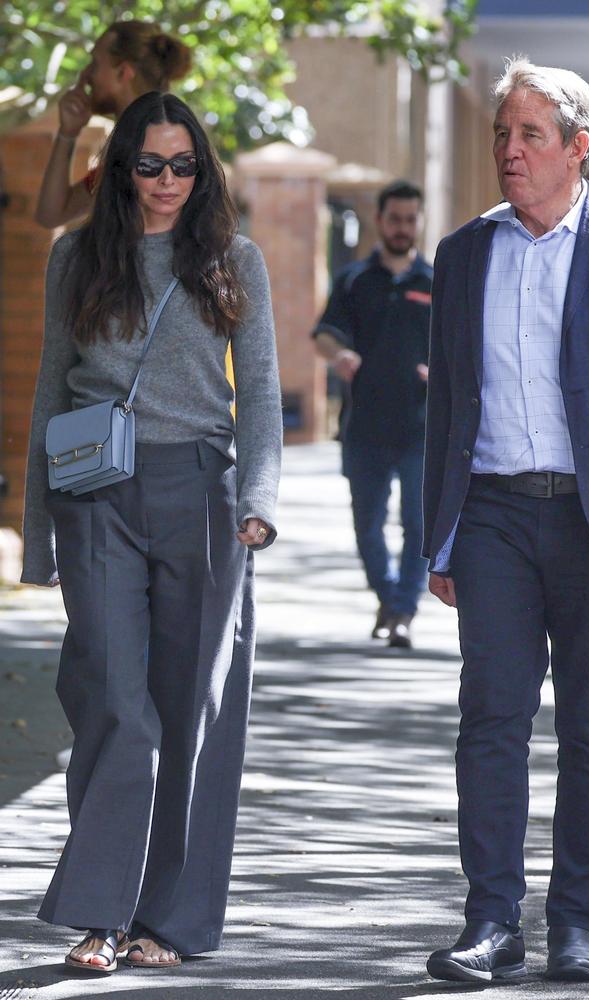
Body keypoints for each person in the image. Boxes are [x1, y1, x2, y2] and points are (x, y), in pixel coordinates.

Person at [21, 91, 282, 972]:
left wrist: (260, 500)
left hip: (202, 497)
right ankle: (99, 911)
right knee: (113, 699)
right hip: (95, 492)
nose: (167, 182)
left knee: (194, 712)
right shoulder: (76, 258)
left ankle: (167, 920)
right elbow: (50, 392)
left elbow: (265, 402)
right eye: (150, 164)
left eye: (184, 165)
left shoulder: (234, 259)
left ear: (201, 170)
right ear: (122, 167)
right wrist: (33, 535)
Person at [423, 59, 589, 984]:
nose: (509, 152)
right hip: (494, 517)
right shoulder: (464, 253)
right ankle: (491, 922)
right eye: (501, 136)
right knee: (492, 720)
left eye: (529, 137)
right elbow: (447, 413)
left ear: (579, 150)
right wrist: (435, 537)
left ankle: (575, 924)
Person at [313, 181, 432, 648]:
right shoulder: (354, 280)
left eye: (410, 218)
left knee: (419, 526)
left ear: (418, 222)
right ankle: (388, 597)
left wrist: (443, 372)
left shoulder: (436, 281)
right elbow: (323, 334)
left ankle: (403, 610)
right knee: (367, 524)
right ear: (381, 221)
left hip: (422, 427)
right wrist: (339, 354)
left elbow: (462, 349)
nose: (402, 227)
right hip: (364, 428)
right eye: (395, 218)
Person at [35, 20, 191, 229]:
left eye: (95, 63)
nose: (86, 75)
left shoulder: (155, 145)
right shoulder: (126, 149)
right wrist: (68, 133)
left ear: (123, 72)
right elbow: (51, 215)